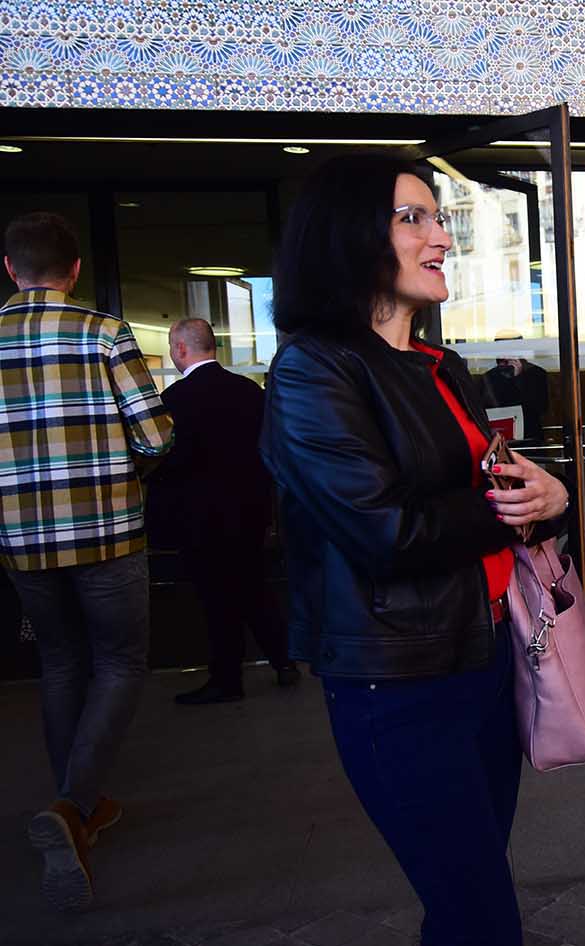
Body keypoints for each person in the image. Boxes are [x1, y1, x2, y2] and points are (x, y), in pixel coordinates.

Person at [260, 154, 569, 946]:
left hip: (485, 656)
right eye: (412, 218)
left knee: (465, 900)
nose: (441, 237)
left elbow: (495, 488)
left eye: (438, 217)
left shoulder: (442, 367)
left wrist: (549, 499)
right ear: (349, 235)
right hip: (397, 681)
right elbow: (385, 533)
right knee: (480, 914)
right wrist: (510, 509)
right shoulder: (311, 369)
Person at [1, 211, 174, 910]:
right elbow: (156, 437)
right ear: (75, 270)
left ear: (9, 269)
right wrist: (120, 467)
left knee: (60, 663)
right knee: (120, 663)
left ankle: (79, 806)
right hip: (107, 533)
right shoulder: (103, 331)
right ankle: (74, 806)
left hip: (21, 541)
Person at [147, 317, 298, 704]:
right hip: (250, 510)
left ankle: (227, 680)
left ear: (181, 349)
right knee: (254, 586)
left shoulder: (174, 399)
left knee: (217, 600)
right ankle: (284, 661)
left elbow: (167, 461)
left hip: (200, 518)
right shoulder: (249, 391)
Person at [483, 330, 550, 442]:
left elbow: (541, 407)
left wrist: (519, 378)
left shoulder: (536, 373)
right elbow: (488, 407)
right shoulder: (489, 377)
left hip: (529, 436)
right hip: (500, 436)